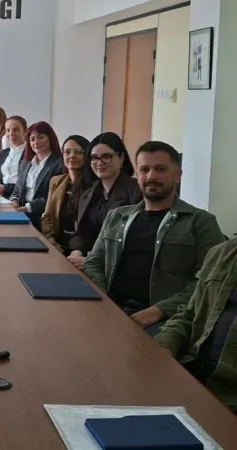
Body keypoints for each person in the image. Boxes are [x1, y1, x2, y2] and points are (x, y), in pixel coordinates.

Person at [84, 141, 224, 335]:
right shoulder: (116, 216)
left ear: (177, 175)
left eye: (160, 169)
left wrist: (158, 311)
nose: (151, 176)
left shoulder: (200, 222)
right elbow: (93, 262)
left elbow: (211, 282)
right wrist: (104, 300)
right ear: (137, 175)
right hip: (110, 310)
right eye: (144, 170)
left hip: (169, 321)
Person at [154, 239, 237, 413]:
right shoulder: (221, 252)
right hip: (190, 374)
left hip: (227, 399)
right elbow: (189, 314)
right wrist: (164, 345)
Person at [67, 132, 141, 269]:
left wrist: (92, 261)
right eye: (94, 158)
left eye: (106, 157)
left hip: (117, 268)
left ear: (121, 158)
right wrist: (76, 253)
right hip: (85, 263)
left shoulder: (136, 192)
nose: (99, 163)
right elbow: (81, 233)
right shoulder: (88, 193)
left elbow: (134, 243)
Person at [8, 121, 65, 229]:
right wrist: (14, 202)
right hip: (21, 212)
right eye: (32, 139)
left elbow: (52, 198)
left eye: (40, 137)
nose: (36, 142)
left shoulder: (59, 164)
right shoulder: (25, 163)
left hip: (40, 217)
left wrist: (23, 209)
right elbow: (16, 190)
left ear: (50, 138)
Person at [41, 135, 92, 254]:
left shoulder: (95, 185)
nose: (72, 156)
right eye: (67, 152)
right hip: (57, 245)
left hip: (82, 250)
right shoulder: (56, 181)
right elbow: (47, 217)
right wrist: (51, 241)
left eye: (78, 152)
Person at [0, 115, 28, 198]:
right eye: (8, 130)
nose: (11, 133)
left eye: (16, 130)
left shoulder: (29, 154)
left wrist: (3, 188)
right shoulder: (4, 153)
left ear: (25, 131)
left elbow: (26, 184)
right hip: (0, 194)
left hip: (17, 197)